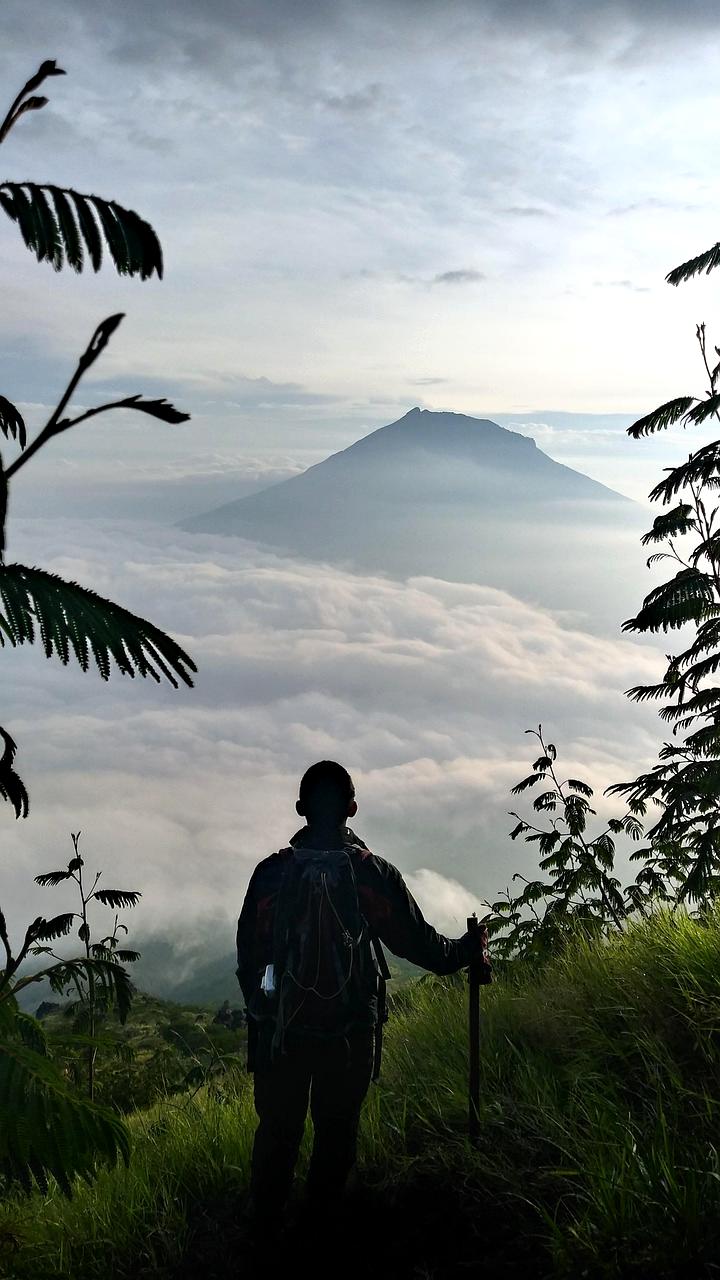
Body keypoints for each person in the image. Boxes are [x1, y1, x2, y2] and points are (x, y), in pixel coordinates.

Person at [235, 759, 489, 1228]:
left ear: (300, 809)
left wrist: (265, 1012)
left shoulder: (270, 875)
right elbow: (421, 946)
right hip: (348, 1034)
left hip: (279, 1037)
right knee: (335, 1139)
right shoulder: (372, 874)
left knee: (277, 1136)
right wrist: (468, 950)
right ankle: (322, 1233)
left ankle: (264, 1233)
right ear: (352, 808)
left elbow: (249, 957)